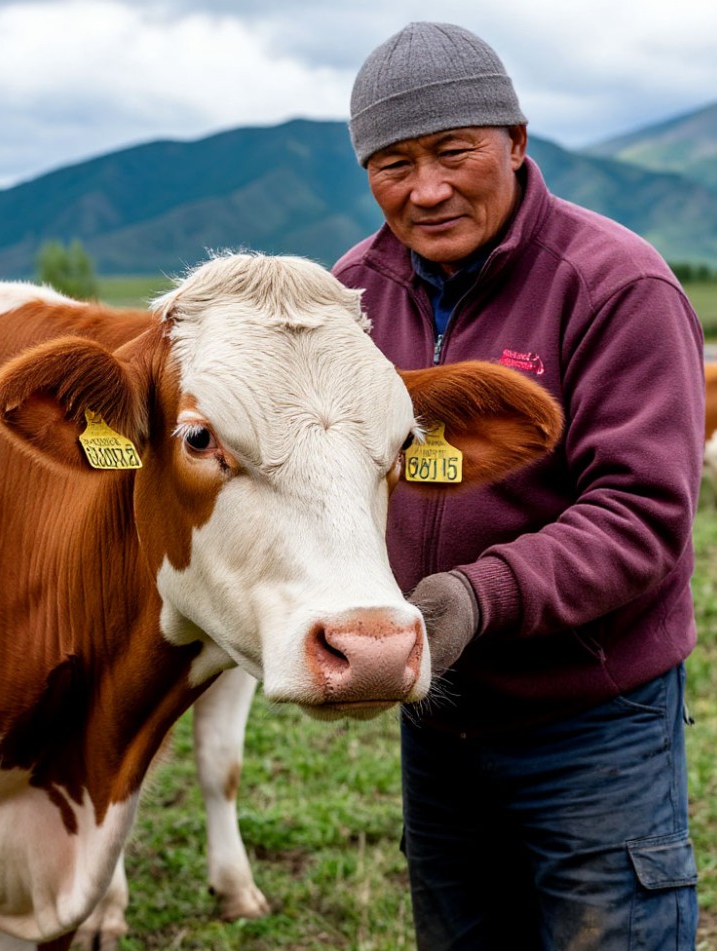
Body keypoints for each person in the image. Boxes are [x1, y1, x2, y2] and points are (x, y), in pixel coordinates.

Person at [333, 21, 703, 950]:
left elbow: (641, 514)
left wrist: (474, 595)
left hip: (593, 715)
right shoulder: (349, 298)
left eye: (453, 153)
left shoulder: (614, 285)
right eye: (391, 164)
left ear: (516, 142)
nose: (425, 190)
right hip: (440, 715)